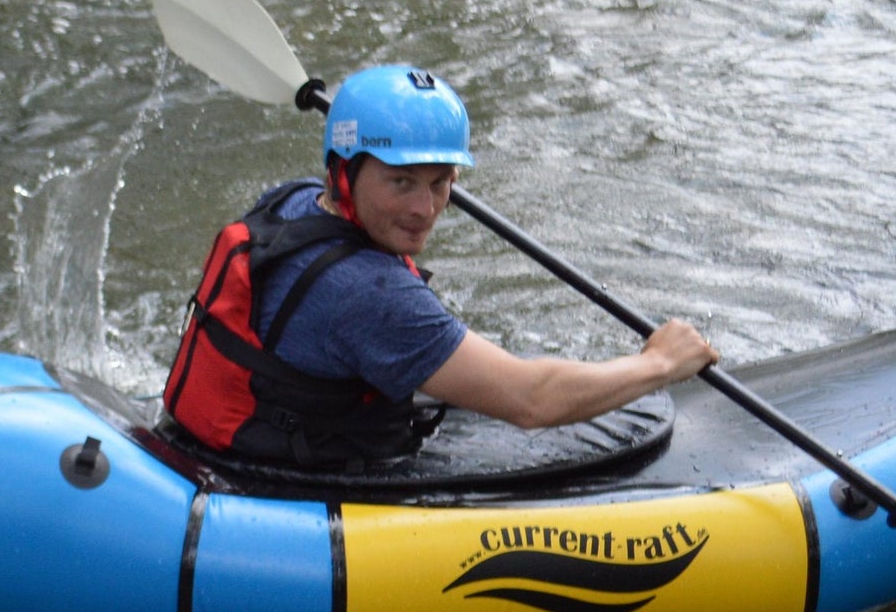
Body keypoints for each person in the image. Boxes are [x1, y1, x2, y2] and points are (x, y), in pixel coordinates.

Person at [160, 64, 717, 469]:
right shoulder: (369, 296)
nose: (424, 210)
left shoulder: (296, 198)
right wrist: (659, 365)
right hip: (275, 478)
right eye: (400, 182)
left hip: (224, 436)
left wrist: (409, 178)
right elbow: (531, 400)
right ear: (344, 174)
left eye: (439, 182)